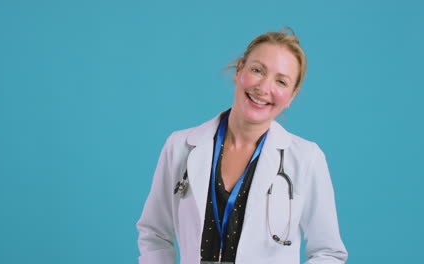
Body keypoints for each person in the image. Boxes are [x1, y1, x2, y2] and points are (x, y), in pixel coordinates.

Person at [136, 28, 348, 264]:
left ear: (291, 96)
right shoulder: (180, 146)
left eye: (281, 81)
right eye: (257, 70)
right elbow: (154, 234)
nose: (264, 87)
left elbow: (329, 253)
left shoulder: (306, 159)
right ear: (239, 71)